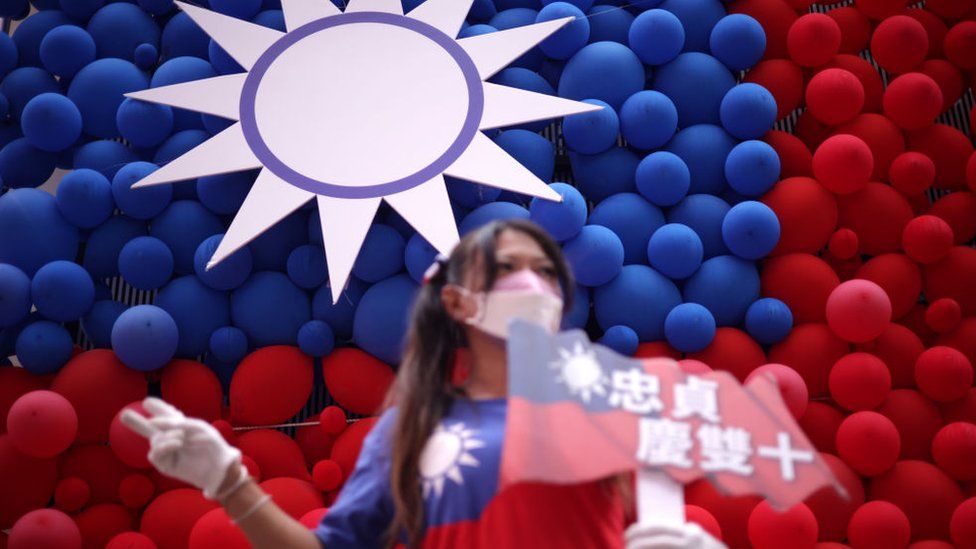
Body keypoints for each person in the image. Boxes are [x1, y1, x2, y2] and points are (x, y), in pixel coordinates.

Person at [123, 219, 723, 548]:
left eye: (545, 271)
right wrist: (229, 483)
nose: (533, 283)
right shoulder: (410, 431)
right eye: (507, 268)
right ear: (458, 301)